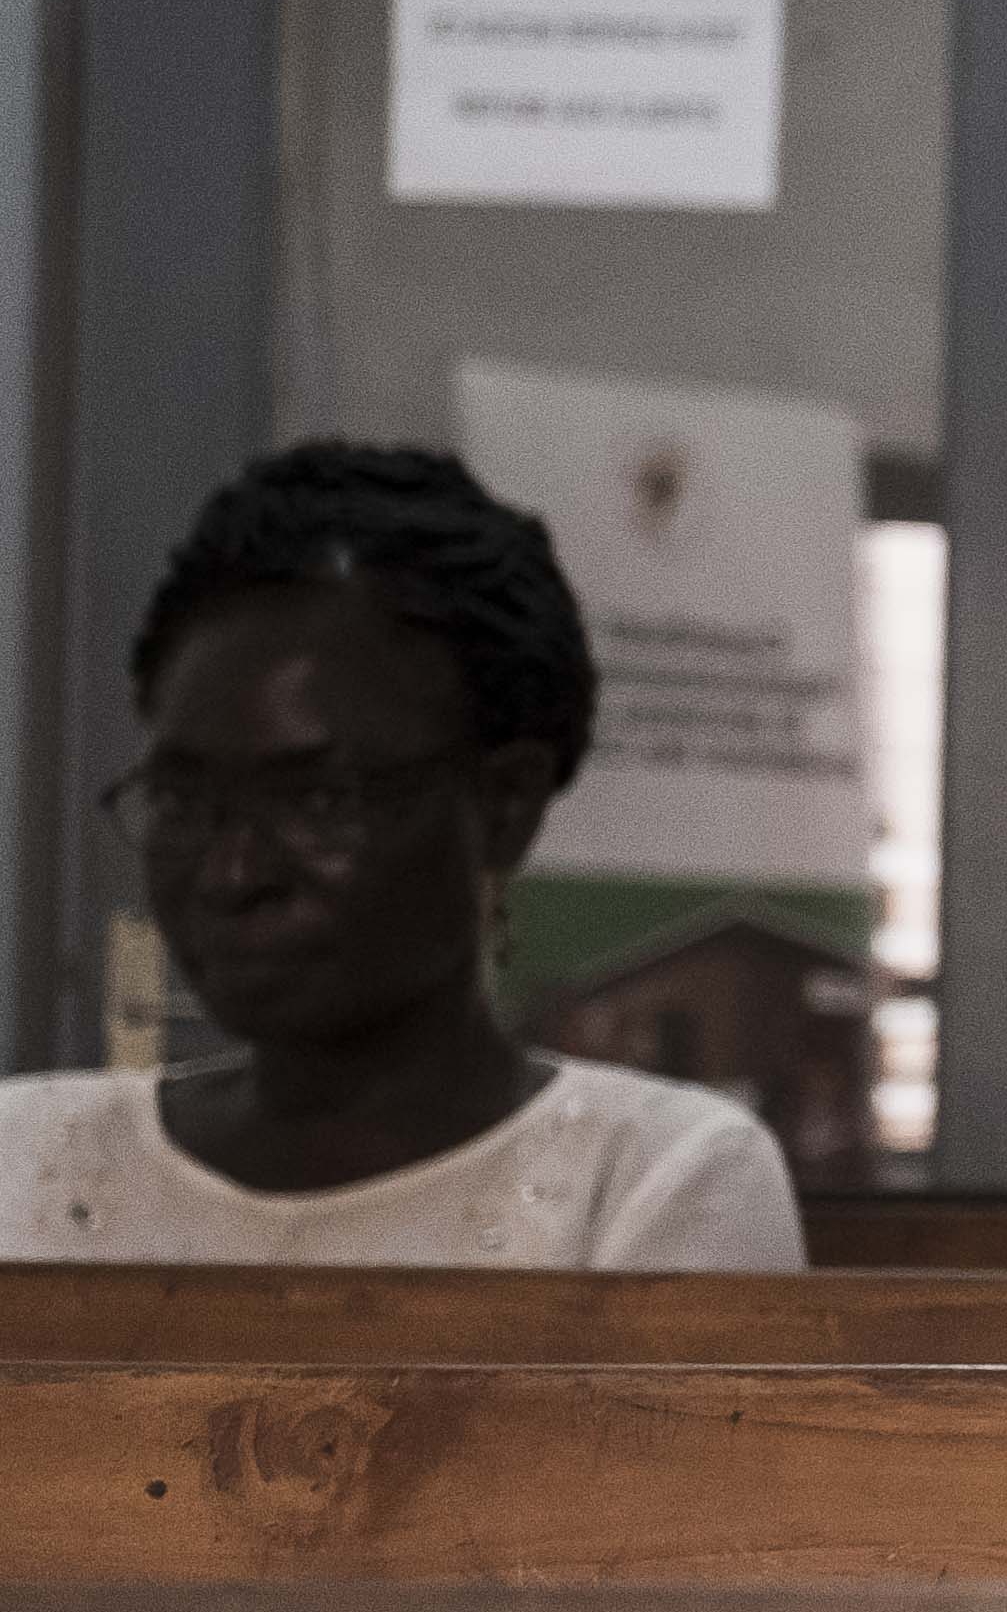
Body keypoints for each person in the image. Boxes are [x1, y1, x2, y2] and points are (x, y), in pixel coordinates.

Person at [0, 443, 804, 1267]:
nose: (232, 872)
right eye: (182, 799)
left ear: (504, 803)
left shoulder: (653, 1177)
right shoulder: (26, 1160)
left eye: (320, 800)